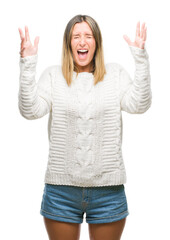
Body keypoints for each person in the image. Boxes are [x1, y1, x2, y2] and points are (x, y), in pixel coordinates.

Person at [18, 14, 152, 240]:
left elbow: (140, 104)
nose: (82, 42)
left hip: (108, 191)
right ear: (68, 43)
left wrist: (140, 58)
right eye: (76, 36)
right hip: (61, 191)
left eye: (88, 36)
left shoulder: (115, 74)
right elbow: (30, 111)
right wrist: (27, 63)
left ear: (96, 42)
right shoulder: (53, 76)